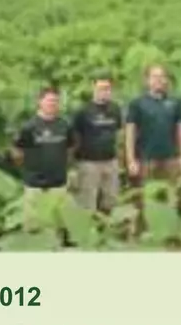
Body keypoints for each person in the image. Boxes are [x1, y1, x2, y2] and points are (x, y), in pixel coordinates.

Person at [9, 84, 74, 219]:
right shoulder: (29, 127)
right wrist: (27, 166)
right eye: (49, 100)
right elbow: (16, 149)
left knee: (56, 222)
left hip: (58, 183)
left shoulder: (64, 125)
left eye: (55, 101)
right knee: (34, 224)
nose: (52, 104)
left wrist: (63, 166)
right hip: (35, 184)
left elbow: (70, 147)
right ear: (40, 101)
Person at [124, 63, 181, 186]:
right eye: (154, 76)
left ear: (166, 80)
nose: (159, 80)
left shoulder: (176, 102)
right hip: (146, 159)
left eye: (162, 76)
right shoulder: (137, 103)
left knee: (171, 194)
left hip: (171, 159)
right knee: (147, 195)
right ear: (147, 80)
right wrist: (130, 160)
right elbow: (130, 133)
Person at [68, 73, 126, 214]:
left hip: (110, 161)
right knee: (87, 202)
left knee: (111, 199)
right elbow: (74, 136)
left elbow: (118, 132)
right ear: (93, 88)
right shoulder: (83, 111)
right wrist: (72, 163)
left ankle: (108, 229)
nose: (104, 92)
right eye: (101, 88)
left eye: (107, 88)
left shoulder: (115, 109)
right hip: (88, 162)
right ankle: (87, 232)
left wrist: (121, 156)